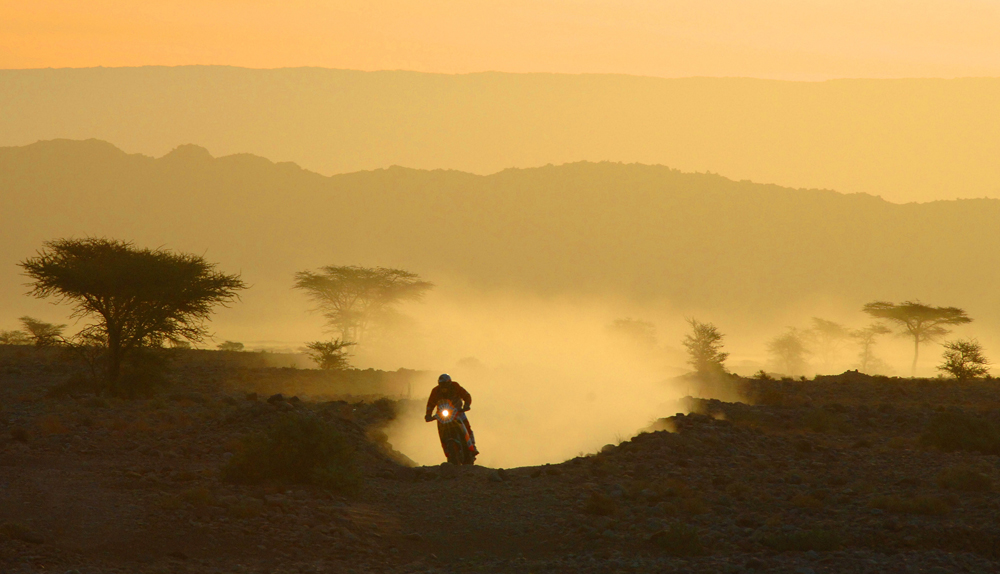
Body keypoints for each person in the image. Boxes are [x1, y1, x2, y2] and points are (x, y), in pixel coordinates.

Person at [424, 373, 479, 458]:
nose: (444, 387)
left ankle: (473, 446)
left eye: (445, 384)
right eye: (442, 385)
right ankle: (447, 451)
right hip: (442, 415)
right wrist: (428, 415)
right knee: (441, 432)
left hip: (458, 412)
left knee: (467, 427)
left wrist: (466, 404)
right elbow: (430, 403)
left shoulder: (455, 386)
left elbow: (466, 395)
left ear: (449, 383)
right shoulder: (435, 391)